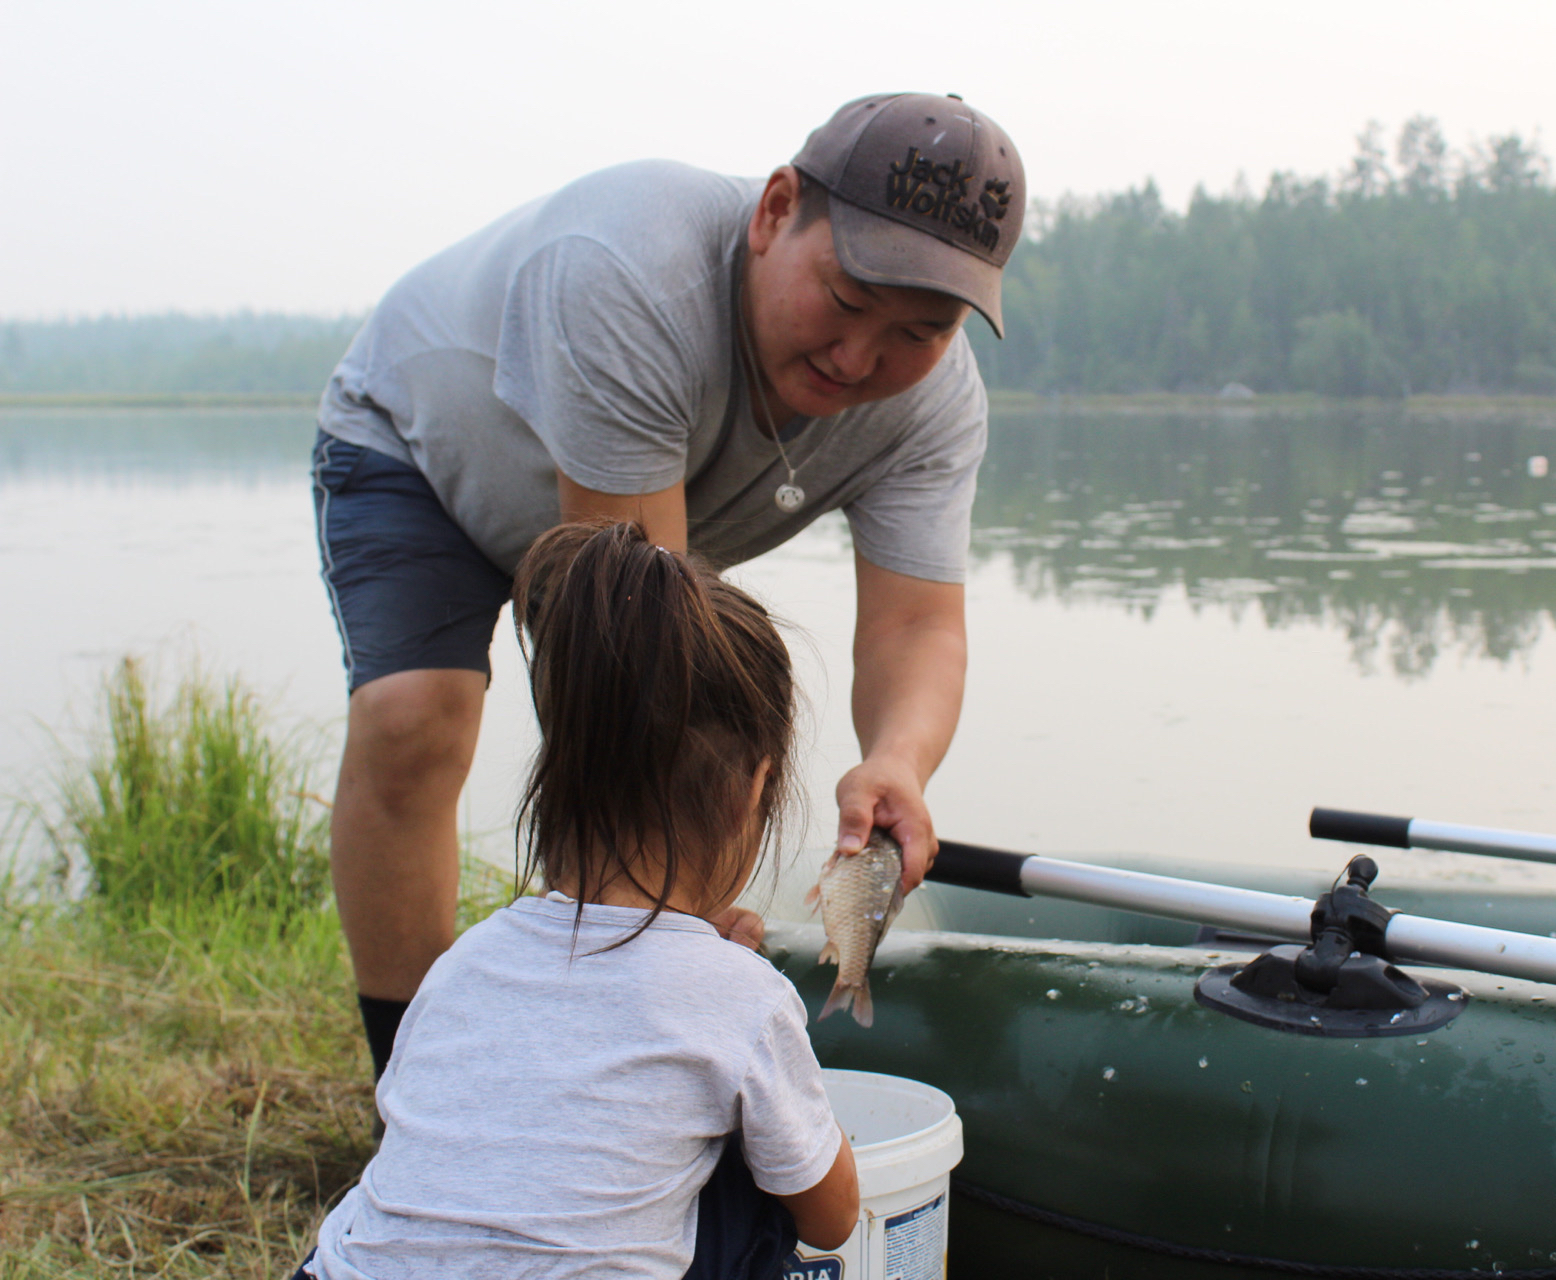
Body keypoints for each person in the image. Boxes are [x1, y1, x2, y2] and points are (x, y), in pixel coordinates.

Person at [310, 92, 1026, 1081]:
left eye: (920, 330)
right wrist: (677, 889)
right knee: (416, 719)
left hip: (642, 532)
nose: (861, 357)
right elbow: (633, 641)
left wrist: (896, 760)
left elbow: (914, 626)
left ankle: (587, 1053)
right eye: (849, 299)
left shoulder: (931, 406)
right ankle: (420, 1087)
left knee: (678, 778)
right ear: (776, 211)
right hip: (425, 451)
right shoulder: (631, 274)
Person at [296, 521, 859, 1280]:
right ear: (753, 791)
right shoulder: (742, 998)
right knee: (755, 1196)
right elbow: (833, 1216)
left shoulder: (466, 963)